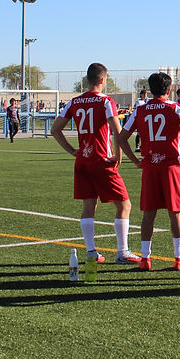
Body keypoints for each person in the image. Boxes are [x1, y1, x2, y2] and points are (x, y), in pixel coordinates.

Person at [50, 63, 141, 265]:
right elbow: (118, 132)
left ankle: (91, 252)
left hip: (83, 159)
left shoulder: (74, 102)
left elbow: (55, 130)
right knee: (124, 204)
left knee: (89, 205)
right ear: (102, 80)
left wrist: (73, 150)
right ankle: (123, 251)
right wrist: (118, 156)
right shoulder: (106, 101)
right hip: (101, 159)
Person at [118, 72, 180, 271]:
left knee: (149, 214)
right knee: (175, 213)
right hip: (172, 166)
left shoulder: (141, 110)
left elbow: (121, 138)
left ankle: (145, 258)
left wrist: (136, 161)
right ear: (169, 88)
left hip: (150, 167)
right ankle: (179, 258)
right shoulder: (175, 108)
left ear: (150, 88)